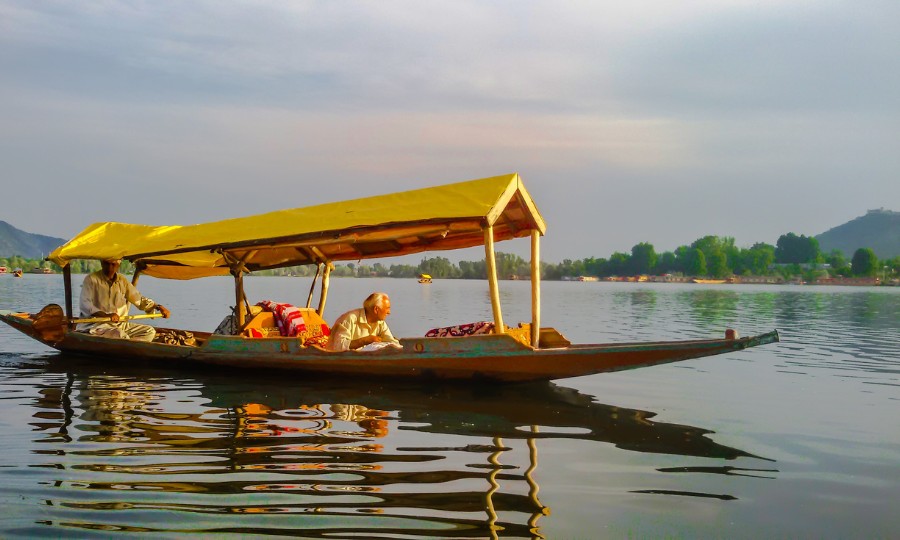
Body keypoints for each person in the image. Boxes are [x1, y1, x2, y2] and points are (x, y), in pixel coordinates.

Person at [77, 258, 170, 341]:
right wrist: (105, 315)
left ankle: (131, 347)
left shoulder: (122, 280)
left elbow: (139, 300)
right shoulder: (91, 279)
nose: (110, 268)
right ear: (101, 263)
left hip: (120, 324)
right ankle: (129, 345)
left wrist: (158, 306)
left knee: (149, 331)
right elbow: (85, 305)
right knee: (119, 334)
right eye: (107, 264)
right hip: (97, 326)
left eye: (113, 265)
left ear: (118, 265)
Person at [327, 292, 400, 351]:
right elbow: (337, 347)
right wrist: (365, 340)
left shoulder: (380, 323)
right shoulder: (350, 319)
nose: (389, 312)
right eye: (387, 308)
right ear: (376, 309)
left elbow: (392, 342)